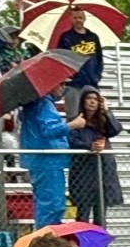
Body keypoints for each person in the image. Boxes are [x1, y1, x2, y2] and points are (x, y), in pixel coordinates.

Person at [20, 82, 87, 228]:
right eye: (60, 84)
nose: (63, 87)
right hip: (48, 160)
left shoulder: (38, 104)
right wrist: (73, 124)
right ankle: (47, 237)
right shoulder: (43, 104)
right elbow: (50, 130)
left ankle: (46, 236)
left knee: (49, 205)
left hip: (44, 160)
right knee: (52, 206)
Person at [68, 86, 123, 225]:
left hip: (102, 173)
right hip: (83, 173)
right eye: (89, 98)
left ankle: (100, 239)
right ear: (83, 101)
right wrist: (89, 146)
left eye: (96, 99)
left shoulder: (103, 121)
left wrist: (107, 111)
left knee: (101, 215)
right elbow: (71, 140)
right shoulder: (77, 120)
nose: (92, 102)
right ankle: (81, 239)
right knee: (83, 215)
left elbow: (115, 129)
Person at [56, 7, 104, 120]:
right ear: (71, 19)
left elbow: (99, 59)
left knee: (93, 118)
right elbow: (60, 59)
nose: (78, 20)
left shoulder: (93, 37)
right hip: (73, 85)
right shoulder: (65, 37)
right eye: (75, 18)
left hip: (91, 83)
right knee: (73, 117)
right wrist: (68, 77)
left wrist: (97, 76)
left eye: (80, 17)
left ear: (84, 18)